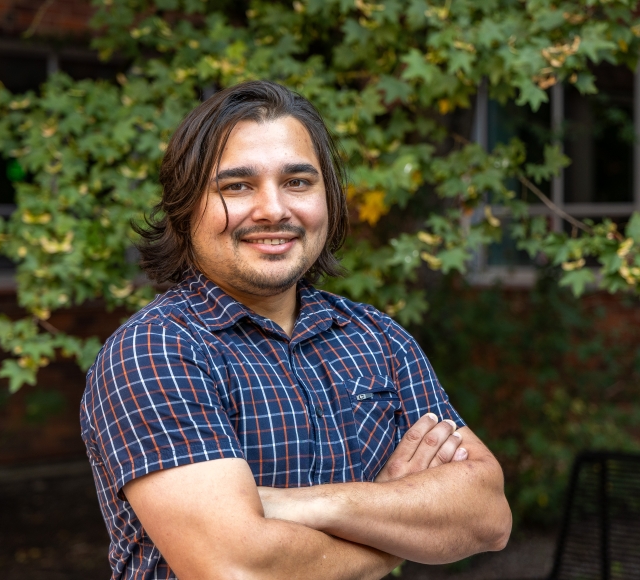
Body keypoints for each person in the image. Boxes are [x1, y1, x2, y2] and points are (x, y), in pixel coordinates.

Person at [80, 80, 512, 580]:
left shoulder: (378, 339)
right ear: (186, 207)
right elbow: (237, 567)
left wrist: (303, 506)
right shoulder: (156, 351)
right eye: (237, 185)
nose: (274, 209)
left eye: (298, 182)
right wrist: (392, 538)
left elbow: (487, 516)